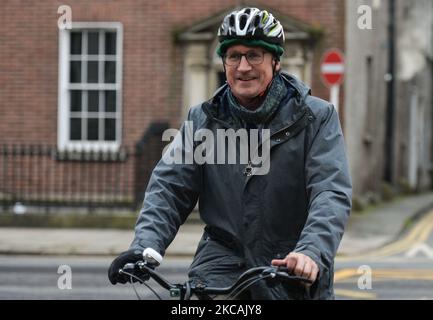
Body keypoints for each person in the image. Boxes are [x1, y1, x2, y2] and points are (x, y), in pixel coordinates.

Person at [108, 7, 352, 300]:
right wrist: (145, 246)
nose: (243, 67)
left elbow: (330, 192)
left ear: (275, 62)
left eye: (254, 55)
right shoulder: (203, 119)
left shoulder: (316, 117)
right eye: (233, 56)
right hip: (221, 263)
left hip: (289, 265)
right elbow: (169, 186)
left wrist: (310, 252)